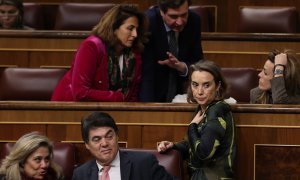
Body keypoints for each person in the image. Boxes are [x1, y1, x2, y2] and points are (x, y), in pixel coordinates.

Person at [51, 4, 148, 102]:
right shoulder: (92, 46)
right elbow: (80, 92)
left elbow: (133, 96)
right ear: (114, 28)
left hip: (113, 112)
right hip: (70, 108)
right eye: (130, 28)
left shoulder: (134, 54)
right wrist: (117, 97)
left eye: (136, 29)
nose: (135, 34)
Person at [157, 60, 236, 179]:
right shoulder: (203, 108)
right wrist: (173, 146)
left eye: (206, 85)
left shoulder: (217, 110)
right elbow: (192, 145)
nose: (199, 92)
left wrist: (192, 126)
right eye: (195, 84)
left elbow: (203, 153)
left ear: (218, 86)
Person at [72, 111, 176, 180]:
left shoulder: (144, 163)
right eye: (97, 139)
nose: (104, 143)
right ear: (87, 145)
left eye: (109, 136)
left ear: (117, 136)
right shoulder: (81, 175)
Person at [139, 0, 204, 102]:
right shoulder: (148, 22)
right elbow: (147, 71)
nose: (180, 22)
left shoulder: (194, 20)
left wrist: (183, 67)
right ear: (161, 12)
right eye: (173, 17)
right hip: (152, 91)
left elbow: (198, 62)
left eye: (184, 15)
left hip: (181, 95)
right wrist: (148, 109)